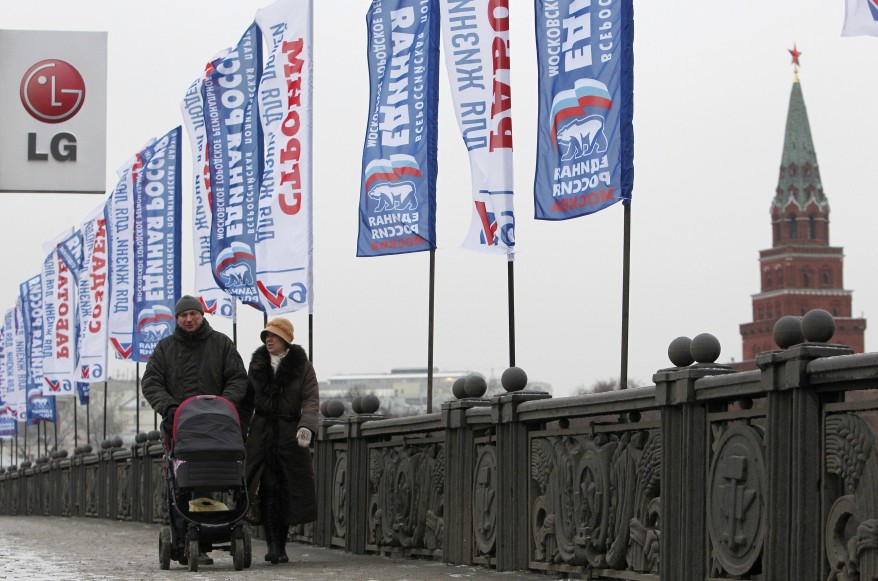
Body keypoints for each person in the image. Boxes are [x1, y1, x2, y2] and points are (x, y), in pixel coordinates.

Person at [141, 294, 248, 566]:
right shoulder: (165, 348)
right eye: (183, 315)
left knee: (215, 476)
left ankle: (211, 535)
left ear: (202, 315)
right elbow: (151, 381)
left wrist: (225, 405)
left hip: (218, 427)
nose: (189, 319)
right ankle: (181, 541)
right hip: (178, 426)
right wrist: (169, 407)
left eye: (193, 314)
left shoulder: (222, 344)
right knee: (181, 485)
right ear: (177, 319)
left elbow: (237, 378)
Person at [239, 317, 319, 565]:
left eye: (273, 336)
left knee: (286, 490)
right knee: (265, 488)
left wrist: (306, 428)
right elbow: (245, 402)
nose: (268, 340)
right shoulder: (257, 365)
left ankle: (279, 545)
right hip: (261, 435)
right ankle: (272, 544)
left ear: (286, 339)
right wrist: (238, 432)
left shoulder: (302, 366)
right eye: (266, 336)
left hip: (289, 436)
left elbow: (311, 400)